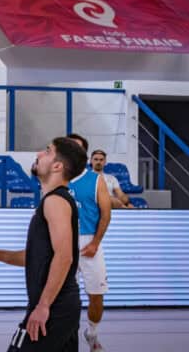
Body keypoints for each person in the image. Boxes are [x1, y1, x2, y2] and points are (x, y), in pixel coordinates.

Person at [0, 137, 85, 351]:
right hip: (60, 306)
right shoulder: (53, 201)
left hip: (55, 307)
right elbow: (38, 256)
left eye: (47, 151)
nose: (38, 153)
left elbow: (64, 257)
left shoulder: (55, 202)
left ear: (57, 166)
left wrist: (44, 305)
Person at [66, 134, 112, 352]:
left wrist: (95, 242)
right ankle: (67, 336)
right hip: (63, 242)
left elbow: (106, 214)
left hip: (88, 242)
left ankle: (92, 333)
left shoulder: (96, 180)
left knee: (96, 295)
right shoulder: (55, 178)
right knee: (64, 296)